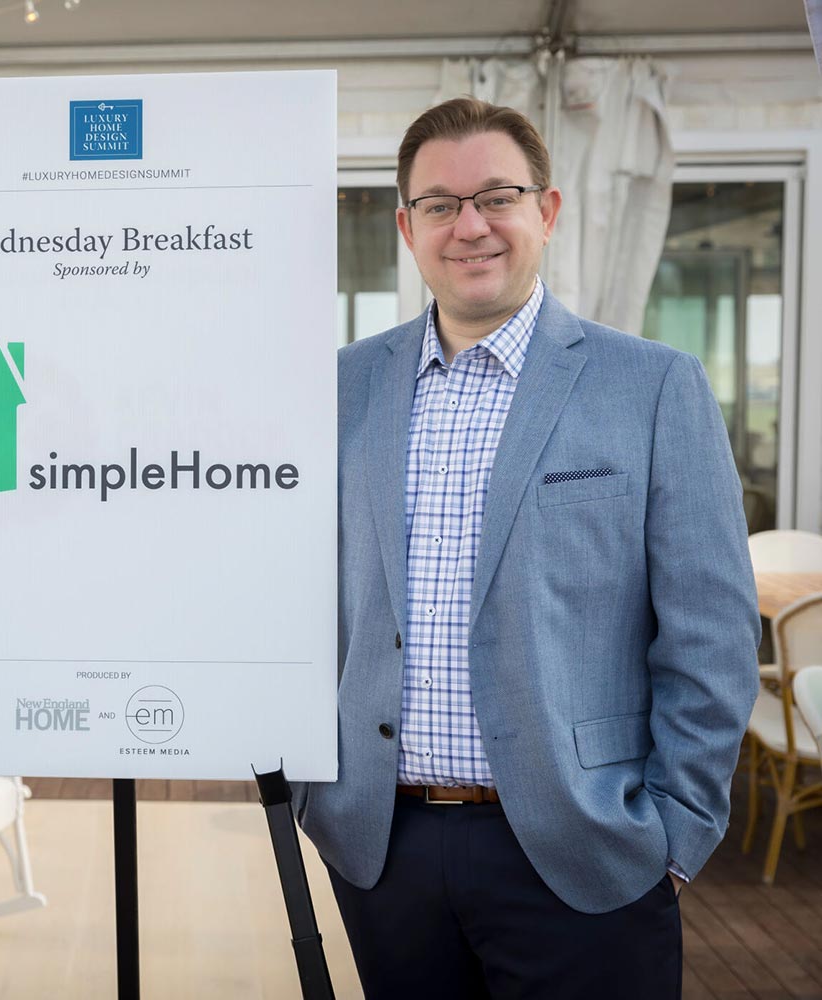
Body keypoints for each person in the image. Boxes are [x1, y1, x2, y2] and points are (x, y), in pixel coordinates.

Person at [293, 97, 759, 998]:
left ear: (546, 212)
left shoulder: (653, 385)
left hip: (586, 851)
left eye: (496, 196)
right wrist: (324, 803)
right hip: (384, 853)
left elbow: (711, 629)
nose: (470, 226)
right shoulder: (342, 389)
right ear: (407, 227)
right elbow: (305, 598)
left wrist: (676, 827)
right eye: (439, 204)